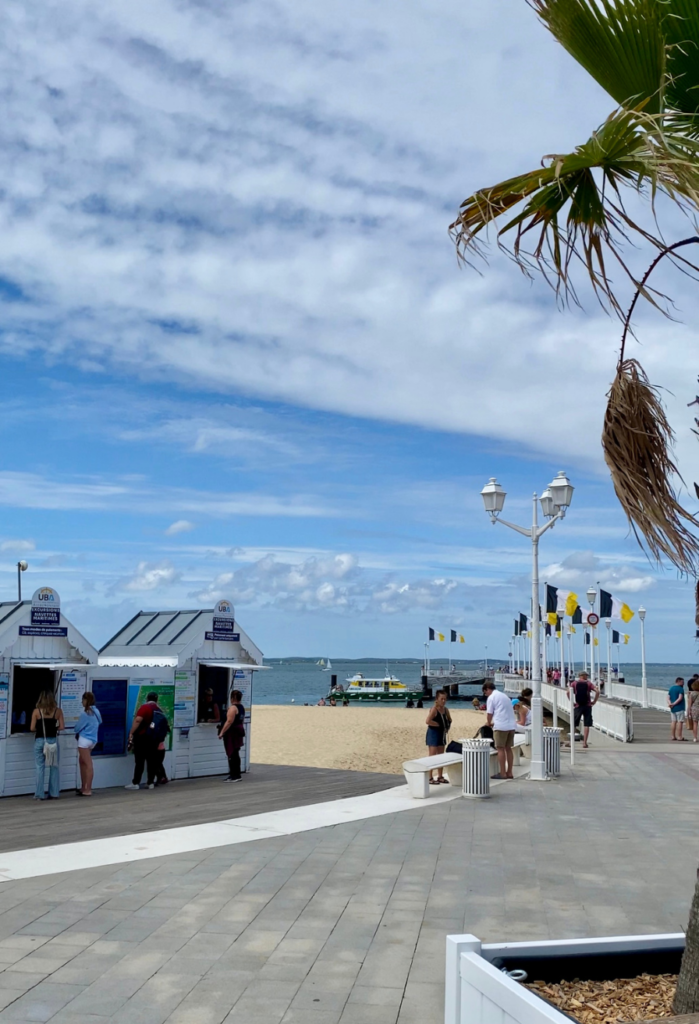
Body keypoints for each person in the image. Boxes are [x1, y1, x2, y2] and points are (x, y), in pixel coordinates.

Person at [30, 691, 65, 800]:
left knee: (40, 767)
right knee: (53, 767)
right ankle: (54, 793)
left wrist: (39, 729)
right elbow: (62, 727)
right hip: (53, 741)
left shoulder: (36, 712)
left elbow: (32, 728)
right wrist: (53, 728)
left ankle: (39, 794)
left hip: (40, 740)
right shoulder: (58, 711)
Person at [125, 691, 161, 790]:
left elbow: (138, 720)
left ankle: (135, 782)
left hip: (142, 738)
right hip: (154, 739)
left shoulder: (145, 708)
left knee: (140, 761)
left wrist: (131, 733)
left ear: (147, 699)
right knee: (151, 761)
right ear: (156, 700)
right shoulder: (158, 709)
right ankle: (150, 783)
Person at [483, 680, 516, 779]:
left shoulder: (491, 697)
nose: (485, 694)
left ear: (487, 689)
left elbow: (489, 713)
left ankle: (502, 773)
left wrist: (488, 723)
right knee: (508, 748)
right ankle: (509, 772)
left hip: (501, 726)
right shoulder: (504, 696)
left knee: (500, 748)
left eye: (485, 692)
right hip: (511, 725)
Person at [74, 692, 102, 796]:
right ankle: (83, 787)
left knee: (88, 764)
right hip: (93, 740)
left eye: (82, 700)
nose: (82, 702)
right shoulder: (96, 711)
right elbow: (100, 722)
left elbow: (77, 728)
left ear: (86, 700)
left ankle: (87, 789)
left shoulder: (85, 713)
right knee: (82, 761)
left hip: (84, 741)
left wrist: (76, 729)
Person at [425, 689, 451, 785]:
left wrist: (446, 728)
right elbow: (428, 721)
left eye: (445, 699)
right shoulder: (434, 709)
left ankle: (440, 776)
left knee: (441, 756)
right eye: (442, 699)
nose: (443, 701)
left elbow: (449, 720)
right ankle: (430, 776)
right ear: (437, 699)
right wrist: (438, 725)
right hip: (433, 733)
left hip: (442, 734)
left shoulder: (446, 710)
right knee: (432, 756)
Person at [219, 688, 245, 782]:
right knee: (236, 754)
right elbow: (242, 720)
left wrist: (222, 732)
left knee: (231, 753)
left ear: (232, 698)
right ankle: (237, 774)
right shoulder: (242, 707)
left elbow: (229, 721)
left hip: (232, 734)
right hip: (239, 732)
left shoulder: (233, 708)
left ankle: (234, 775)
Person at [569, 671, 599, 749]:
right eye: (586, 675)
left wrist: (572, 702)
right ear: (583, 676)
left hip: (578, 706)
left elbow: (568, 693)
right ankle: (584, 743)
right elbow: (597, 691)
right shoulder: (589, 684)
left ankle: (571, 742)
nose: (587, 677)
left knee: (574, 724)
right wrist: (594, 701)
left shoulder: (574, 683)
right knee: (586, 724)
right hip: (587, 706)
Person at [668, 677, 687, 741]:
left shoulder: (671, 688)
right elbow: (680, 698)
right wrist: (674, 704)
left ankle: (673, 736)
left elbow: (668, 697)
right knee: (680, 722)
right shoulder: (680, 689)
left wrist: (670, 704)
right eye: (682, 682)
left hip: (673, 708)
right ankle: (679, 736)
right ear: (678, 681)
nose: (683, 683)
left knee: (673, 721)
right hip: (679, 707)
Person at [687, 679, 699, 743]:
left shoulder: (692, 694)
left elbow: (689, 704)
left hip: (695, 709)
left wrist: (688, 711)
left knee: (695, 723)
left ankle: (695, 737)